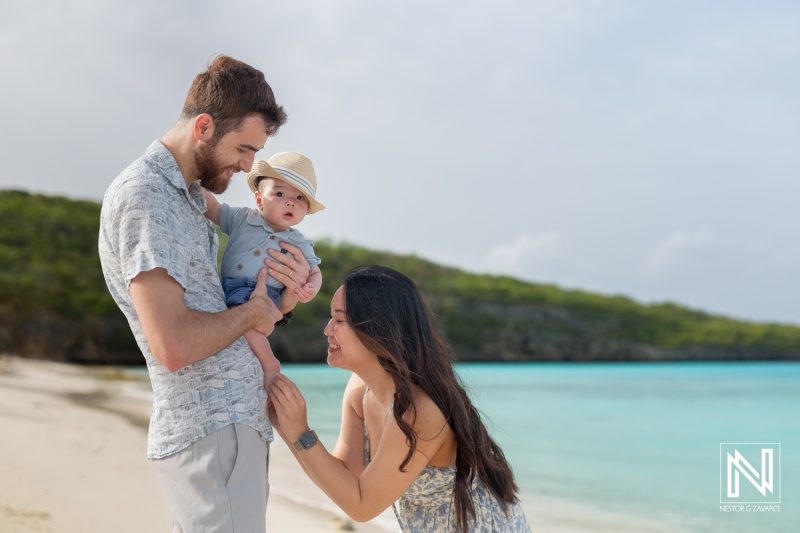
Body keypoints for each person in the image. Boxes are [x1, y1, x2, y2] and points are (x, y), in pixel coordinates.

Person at [99, 55, 309, 532]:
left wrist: (282, 297)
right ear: (205, 126)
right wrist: (256, 312)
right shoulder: (146, 196)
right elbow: (173, 345)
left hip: (227, 431)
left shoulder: (187, 197)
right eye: (244, 148)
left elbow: (223, 306)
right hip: (214, 431)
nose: (249, 165)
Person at [268, 265, 532, 532]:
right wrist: (286, 426)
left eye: (339, 320)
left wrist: (300, 430)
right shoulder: (360, 389)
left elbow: (362, 506)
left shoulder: (419, 410)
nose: (327, 330)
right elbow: (343, 477)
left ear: (377, 328)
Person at [202, 151, 325, 388]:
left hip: (267, 293)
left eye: (300, 198)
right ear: (259, 200)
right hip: (229, 288)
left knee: (245, 319)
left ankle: (269, 363)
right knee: (231, 323)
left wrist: (311, 288)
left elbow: (314, 271)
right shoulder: (242, 219)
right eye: (280, 193)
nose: (290, 201)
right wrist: (194, 183)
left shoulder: (298, 242)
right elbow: (214, 208)